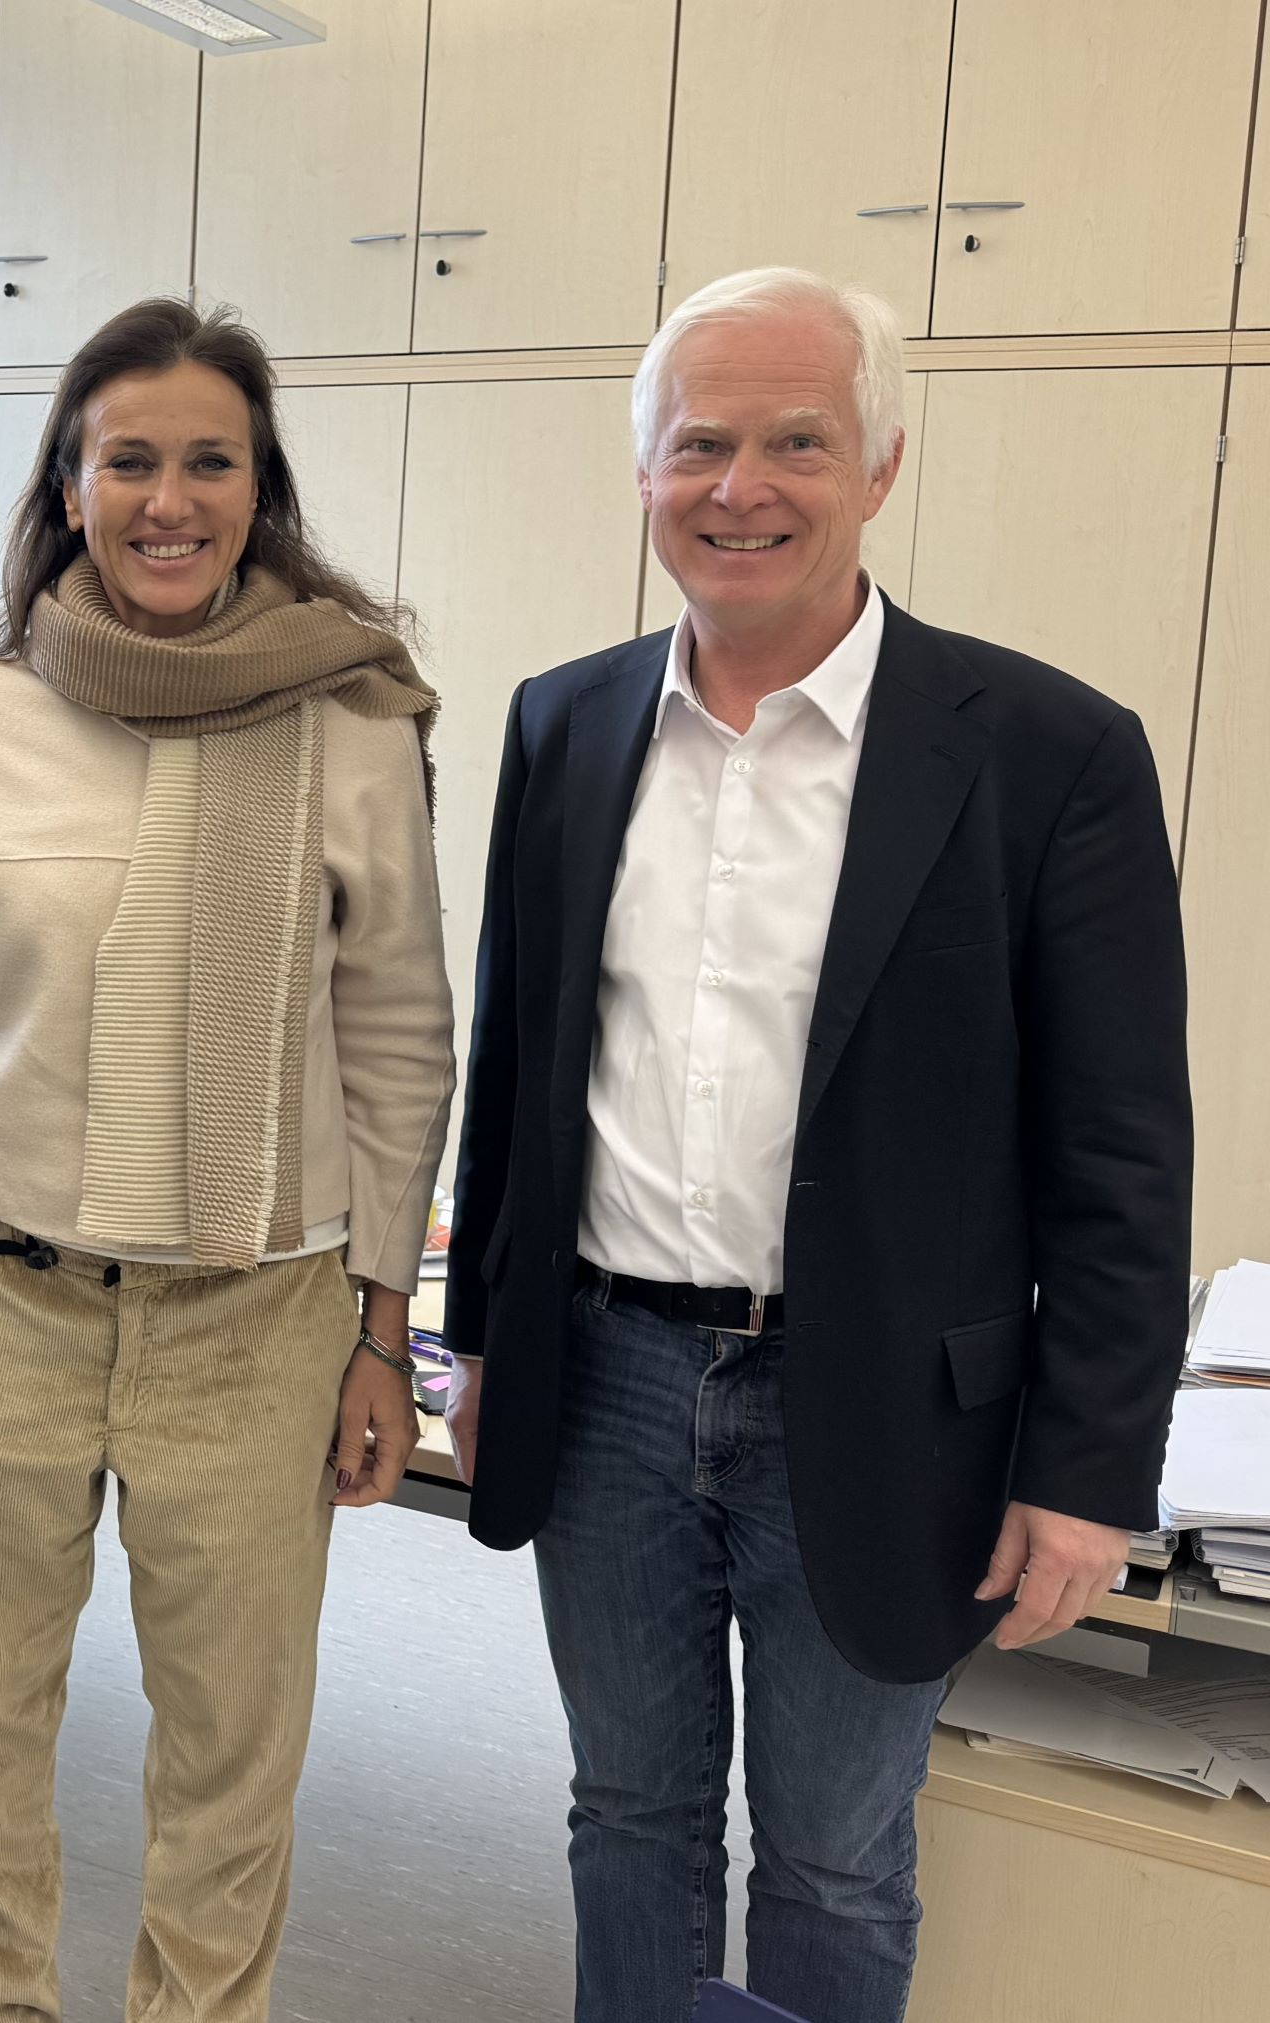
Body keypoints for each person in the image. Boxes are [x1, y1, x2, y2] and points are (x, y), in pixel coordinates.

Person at [444, 266, 1192, 2023]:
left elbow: (1121, 1150)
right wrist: (484, 1335)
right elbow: (526, 1063)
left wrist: (1089, 1467)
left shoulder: (1047, 754)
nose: (742, 487)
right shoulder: (565, 722)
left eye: (799, 440)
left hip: (880, 1404)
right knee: (624, 1814)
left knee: (838, 1858)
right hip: (612, 1375)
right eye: (700, 443)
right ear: (645, 475)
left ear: (883, 466)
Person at [0, 296, 456, 2023]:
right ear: (70, 484)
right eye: (130, 461)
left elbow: (402, 1041)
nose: (169, 500)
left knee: (231, 1769)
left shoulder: (352, 725)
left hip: (256, 1318)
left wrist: (384, 1330)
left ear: (261, 487)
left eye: (209, 462)